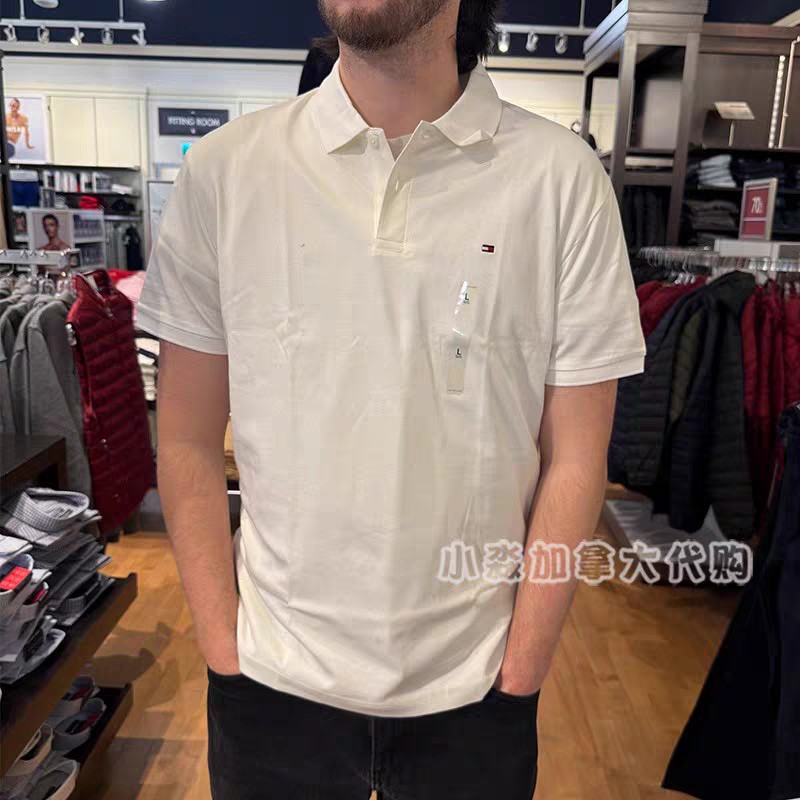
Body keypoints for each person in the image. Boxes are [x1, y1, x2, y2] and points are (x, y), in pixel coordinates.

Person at [137, 1, 646, 797]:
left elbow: (576, 457)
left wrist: (522, 671)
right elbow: (187, 439)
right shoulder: (227, 173)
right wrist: (222, 648)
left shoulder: (561, 181)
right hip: (269, 680)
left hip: (477, 688)